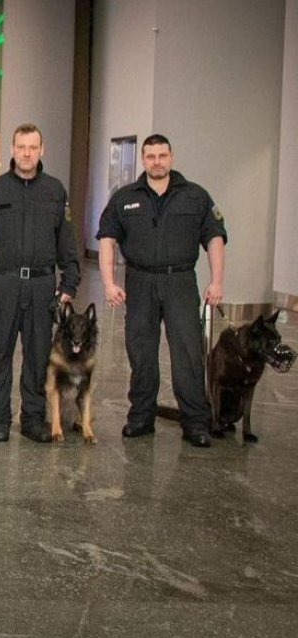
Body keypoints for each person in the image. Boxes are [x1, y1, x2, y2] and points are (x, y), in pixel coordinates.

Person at [97, 134, 225, 448]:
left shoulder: (195, 196)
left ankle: (195, 421)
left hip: (180, 282)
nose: (157, 161)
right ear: (143, 159)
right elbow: (107, 239)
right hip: (139, 282)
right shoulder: (124, 197)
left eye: (162, 155)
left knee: (188, 353)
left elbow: (215, 237)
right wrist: (108, 282)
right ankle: (141, 416)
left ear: (171, 157)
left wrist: (217, 280)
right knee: (141, 352)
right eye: (151, 156)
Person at [0, 123, 80, 443]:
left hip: (43, 286)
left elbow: (67, 244)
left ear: (42, 150)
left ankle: (33, 418)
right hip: (3, 283)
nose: (27, 153)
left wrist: (69, 284)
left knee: (37, 356)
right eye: (21, 147)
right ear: (12, 150)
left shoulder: (55, 191)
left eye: (33, 147)